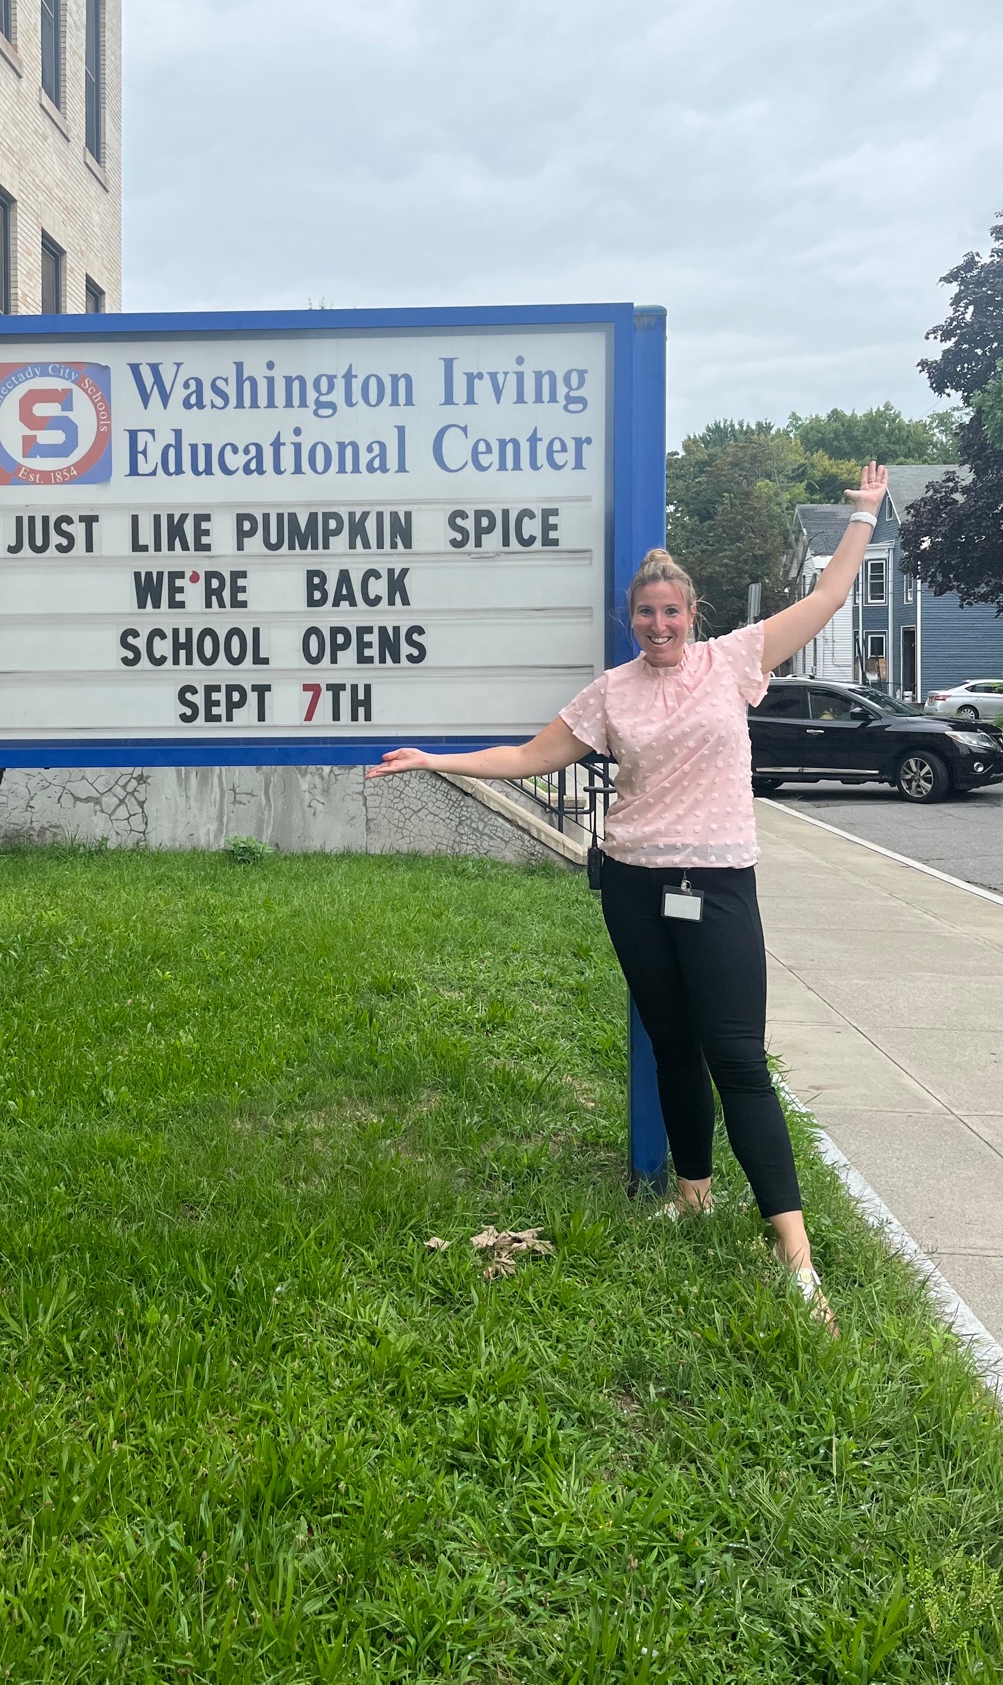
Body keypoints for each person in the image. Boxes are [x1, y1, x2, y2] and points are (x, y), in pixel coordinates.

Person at [367, 462, 890, 1327]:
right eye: (644, 613)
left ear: (692, 616)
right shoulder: (611, 692)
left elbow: (831, 596)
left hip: (717, 883)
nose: (658, 625)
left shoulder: (734, 663)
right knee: (671, 1045)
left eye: (671, 612)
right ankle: (693, 1194)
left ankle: (795, 1256)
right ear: (631, 619)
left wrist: (862, 513)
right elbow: (530, 756)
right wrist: (434, 758)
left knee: (739, 1061)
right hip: (635, 886)